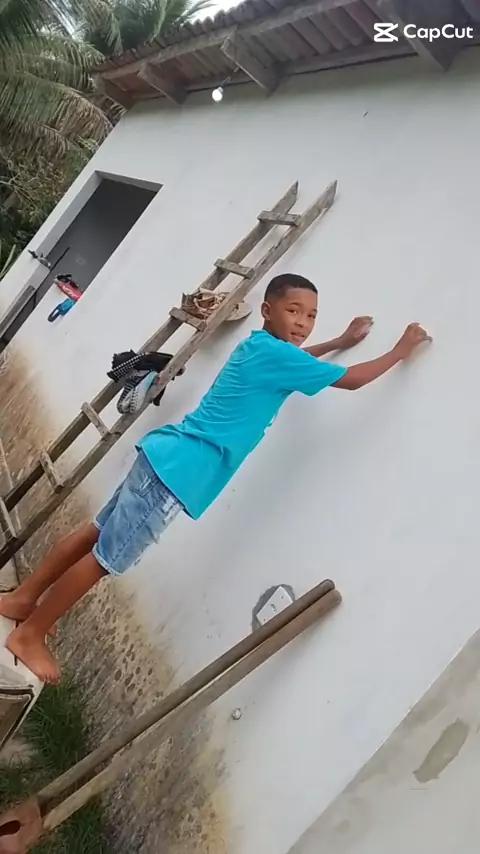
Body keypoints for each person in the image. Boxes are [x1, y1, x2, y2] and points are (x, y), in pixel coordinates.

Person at [0, 274, 431, 683]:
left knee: (94, 534)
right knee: (105, 559)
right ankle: (30, 634)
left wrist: (338, 342)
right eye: (294, 311)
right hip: (178, 474)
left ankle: (24, 600)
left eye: (311, 315)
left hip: (163, 458)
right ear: (267, 310)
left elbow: (298, 363)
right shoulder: (280, 357)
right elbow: (352, 381)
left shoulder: (260, 346)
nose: (303, 322)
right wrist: (400, 349)